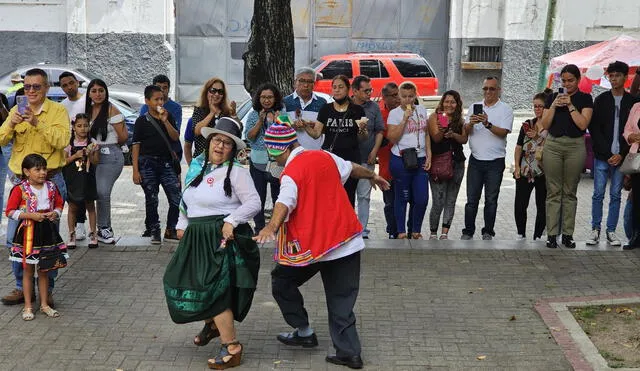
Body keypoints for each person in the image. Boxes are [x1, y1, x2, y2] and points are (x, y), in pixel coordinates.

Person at [254, 124, 390, 370]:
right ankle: (349, 353)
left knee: (282, 281)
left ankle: (304, 330)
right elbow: (353, 168)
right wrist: (373, 176)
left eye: (274, 155)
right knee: (341, 300)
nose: (275, 161)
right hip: (345, 242)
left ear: (282, 149)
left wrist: (269, 228)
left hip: (312, 247)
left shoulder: (291, 173)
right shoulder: (324, 155)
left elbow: (284, 202)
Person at [175, 118, 261, 369]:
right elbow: (188, 199)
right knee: (188, 282)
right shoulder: (198, 168)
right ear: (209, 142)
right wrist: (182, 225)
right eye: (217, 140)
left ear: (233, 149)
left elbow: (254, 203)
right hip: (198, 238)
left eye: (227, 143)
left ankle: (232, 347)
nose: (220, 146)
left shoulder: (237, 172)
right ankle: (213, 325)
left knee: (216, 292)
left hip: (222, 238)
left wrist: (232, 220)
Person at [0, 68, 70, 307]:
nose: (30, 91)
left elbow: (62, 141)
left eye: (36, 87)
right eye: (26, 87)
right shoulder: (15, 110)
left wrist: (37, 123)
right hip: (22, 182)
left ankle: (47, 290)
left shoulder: (58, 111)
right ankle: (22, 287)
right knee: (15, 238)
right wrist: (10, 123)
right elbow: (1, 139)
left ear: (47, 88)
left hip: (50, 181)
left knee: (47, 241)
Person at [6, 154, 67, 320]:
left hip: (46, 232)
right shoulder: (20, 189)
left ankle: (44, 304)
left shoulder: (52, 187)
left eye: (44, 169)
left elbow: (60, 203)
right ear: (26, 171)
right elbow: (10, 211)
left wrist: (55, 213)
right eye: (37, 169)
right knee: (27, 270)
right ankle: (27, 306)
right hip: (28, 233)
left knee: (44, 270)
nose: (42, 173)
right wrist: (29, 216)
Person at [540, 64, 593, 248]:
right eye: (563, 80)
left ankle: (568, 234)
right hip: (553, 144)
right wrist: (554, 105)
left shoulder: (585, 98)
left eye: (571, 80)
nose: (567, 84)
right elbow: (545, 124)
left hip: (575, 145)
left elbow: (582, 124)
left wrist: (570, 104)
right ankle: (552, 234)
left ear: (578, 80)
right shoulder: (552, 97)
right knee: (553, 190)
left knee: (570, 191)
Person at [587, 61, 637, 246]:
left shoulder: (633, 102)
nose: (614, 79)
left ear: (625, 77)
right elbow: (595, 128)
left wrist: (621, 154)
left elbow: (631, 130)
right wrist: (607, 152)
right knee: (598, 193)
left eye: (617, 75)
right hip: (603, 156)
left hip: (622, 156)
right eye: (611, 75)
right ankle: (595, 229)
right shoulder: (601, 100)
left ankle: (611, 231)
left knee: (616, 194)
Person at [461, 76, 513, 241]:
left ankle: (488, 231)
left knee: (491, 199)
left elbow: (503, 132)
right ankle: (468, 231)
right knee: (471, 199)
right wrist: (470, 124)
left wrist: (487, 124)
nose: (488, 92)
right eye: (485, 89)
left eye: (492, 88)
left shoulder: (505, 109)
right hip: (476, 160)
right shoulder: (474, 107)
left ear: (499, 90)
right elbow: (466, 132)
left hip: (495, 161)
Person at [132, 85, 181, 244]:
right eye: (156, 99)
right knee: (151, 198)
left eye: (162, 99)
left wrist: (166, 121)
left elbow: (175, 137)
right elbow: (136, 145)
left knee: (175, 196)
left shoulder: (169, 116)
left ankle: (171, 228)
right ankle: (154, 228)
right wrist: (135, 170)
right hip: (147, 163)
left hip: (166, 162)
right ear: (147, 101)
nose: (160, 102)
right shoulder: (141, 121)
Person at [307, 75, 367, 206]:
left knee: (348, 196)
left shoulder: (357, 110)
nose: (337, 90)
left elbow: (362, 138)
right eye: (334, 87)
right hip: (330, 158)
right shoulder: (325, 109)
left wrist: (363, 131)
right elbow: (316, 134)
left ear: (348, 89)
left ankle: (348, 226)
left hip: (350, 159)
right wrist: (305, 126)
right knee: (329, 196)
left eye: (341, 87)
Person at [386, 81, 432, 239]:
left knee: (421, 198)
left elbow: (425, 133)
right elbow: (392, 138)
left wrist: (429, 154)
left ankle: (416, 229)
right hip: (401, 159)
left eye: (411, 96)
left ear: (415, 95)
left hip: (420, 158)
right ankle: (401, 231)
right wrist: (405, 119)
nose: (407, 100)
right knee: (402, 196)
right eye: (404, 96)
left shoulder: (421, 110)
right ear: (399, 96)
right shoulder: (395, 113)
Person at [86, 79, 128, 244]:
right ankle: (85, 228)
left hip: (110, 155)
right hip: (90, 155)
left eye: (101, 90)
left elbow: (124, 137)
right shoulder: (87, 110)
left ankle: (105, 228)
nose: (98, 94)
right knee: (89, 192)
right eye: (94, 90)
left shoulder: (112, 110)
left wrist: (105, 146)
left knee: (103, 192)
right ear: (89, 93)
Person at [427, 90, 468, 240]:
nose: (449, 105)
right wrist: (443, 129)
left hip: (457, 162)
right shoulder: (434, 117)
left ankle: (444, 233)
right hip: (439, 164)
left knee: (451, 200)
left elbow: (464, 139)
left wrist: (454, 135)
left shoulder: (460, 120)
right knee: (438, 200)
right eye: (446, 101)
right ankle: (433, 232)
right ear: (442, 102)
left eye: (453, 102)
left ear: (457, 104)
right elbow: (436, 139)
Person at [243, 83, 283, 232]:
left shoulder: (281, 112)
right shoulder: (253, 114)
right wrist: (260, 121)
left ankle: (277, 226)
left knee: (278, 196)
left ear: (275, 98)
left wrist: (278, 121)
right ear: (258, 98)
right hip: (257, 162)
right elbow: (250, 137)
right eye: (263, 97)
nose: (266, 100)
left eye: (270, 97)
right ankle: (259, 227)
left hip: (277, 161)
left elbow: (287, 135)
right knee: (258, 196)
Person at [351, 75, 384, 239]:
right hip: (348, 160)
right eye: (366, 90)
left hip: (367, 158)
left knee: (364, 196)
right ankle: (348, 227)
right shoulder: (345, 106)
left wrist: (374, 152)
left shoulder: (373, 107)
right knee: (347, 195)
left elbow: (379, 131)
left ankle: (362, 229)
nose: (369, 93)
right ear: (355, 91)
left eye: (370, 90)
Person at [513, 93, 548, 240]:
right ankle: (521, 232)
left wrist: (537, 137)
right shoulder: (528, 124)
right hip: (526, 169)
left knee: (542, 205)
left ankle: (538, 234)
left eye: (540, 106)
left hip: (544, 171)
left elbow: (552, 148)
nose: (537, 109)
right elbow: (519, 147)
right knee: (520, 204)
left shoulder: (551, 127)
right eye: (535, 106)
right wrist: (516, 167)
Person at [59, 71, 89, 241]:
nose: (69, 87)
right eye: (64, 85)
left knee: (85, 187)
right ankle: (75, 225)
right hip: (70, 152)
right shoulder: (62, 106)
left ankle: (83, 225)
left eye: (71, 83)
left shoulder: (87, 100)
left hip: (87, 151)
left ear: (77, 82)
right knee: (73, 189)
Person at [63, 114, 99, 249]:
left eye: (85, 125)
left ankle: (93, 234)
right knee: (72, 206)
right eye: (79, 126)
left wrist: (90, 154)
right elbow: (63, 161)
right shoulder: (69, 144)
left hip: (88, 178)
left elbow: (97, 161)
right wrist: (75, 156)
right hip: (73, 179)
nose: (83, 129)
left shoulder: (93, 143)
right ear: (73, 127)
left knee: (90, 205)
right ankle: (71, 234)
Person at [378, 83, 403, 238]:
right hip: (387, 167)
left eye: (398, 94)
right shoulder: (380, 115)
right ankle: (392, 231)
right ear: (384, 98)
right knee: (390, 203)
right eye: (393, 96)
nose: (397, 99)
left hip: (406, 165)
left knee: (405, 201)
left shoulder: (407, 112)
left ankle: (405, 230)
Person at [189, 77, 236, 159]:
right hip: (202, 159)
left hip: (222, 158)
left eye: (220, 92)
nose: (216, 94)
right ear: (206, 92)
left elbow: (237, 132)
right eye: (213, 90)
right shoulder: (199, 109)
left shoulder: (226, 111)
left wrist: (234, 115)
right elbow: (197, 131)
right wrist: (212, 113)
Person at [139, 74, 183, 160]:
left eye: (165, 87)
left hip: (171, 152)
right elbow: (141, 134)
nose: (162, 90)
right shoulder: (145, 107)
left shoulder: (176, 107)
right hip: (151, 153)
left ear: (169, 89)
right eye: (159, 87)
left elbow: (176, 134)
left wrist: (165, 121)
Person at [282, 67, 328, 150]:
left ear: (314, 84)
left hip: (316, 151)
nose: (306, 85)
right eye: (302, 81)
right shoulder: (285, 103)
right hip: (293, 152)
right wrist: (293, 125)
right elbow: (279, 129)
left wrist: (316, 126)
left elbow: (328, 129)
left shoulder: (322, 103)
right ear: (295, 82)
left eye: (310, 82)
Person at [622, 101, 640, 250]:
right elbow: (627, 128)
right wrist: (631, 136)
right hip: (636, 157)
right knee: (637, 198)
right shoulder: (636, 106)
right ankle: (635, 236)